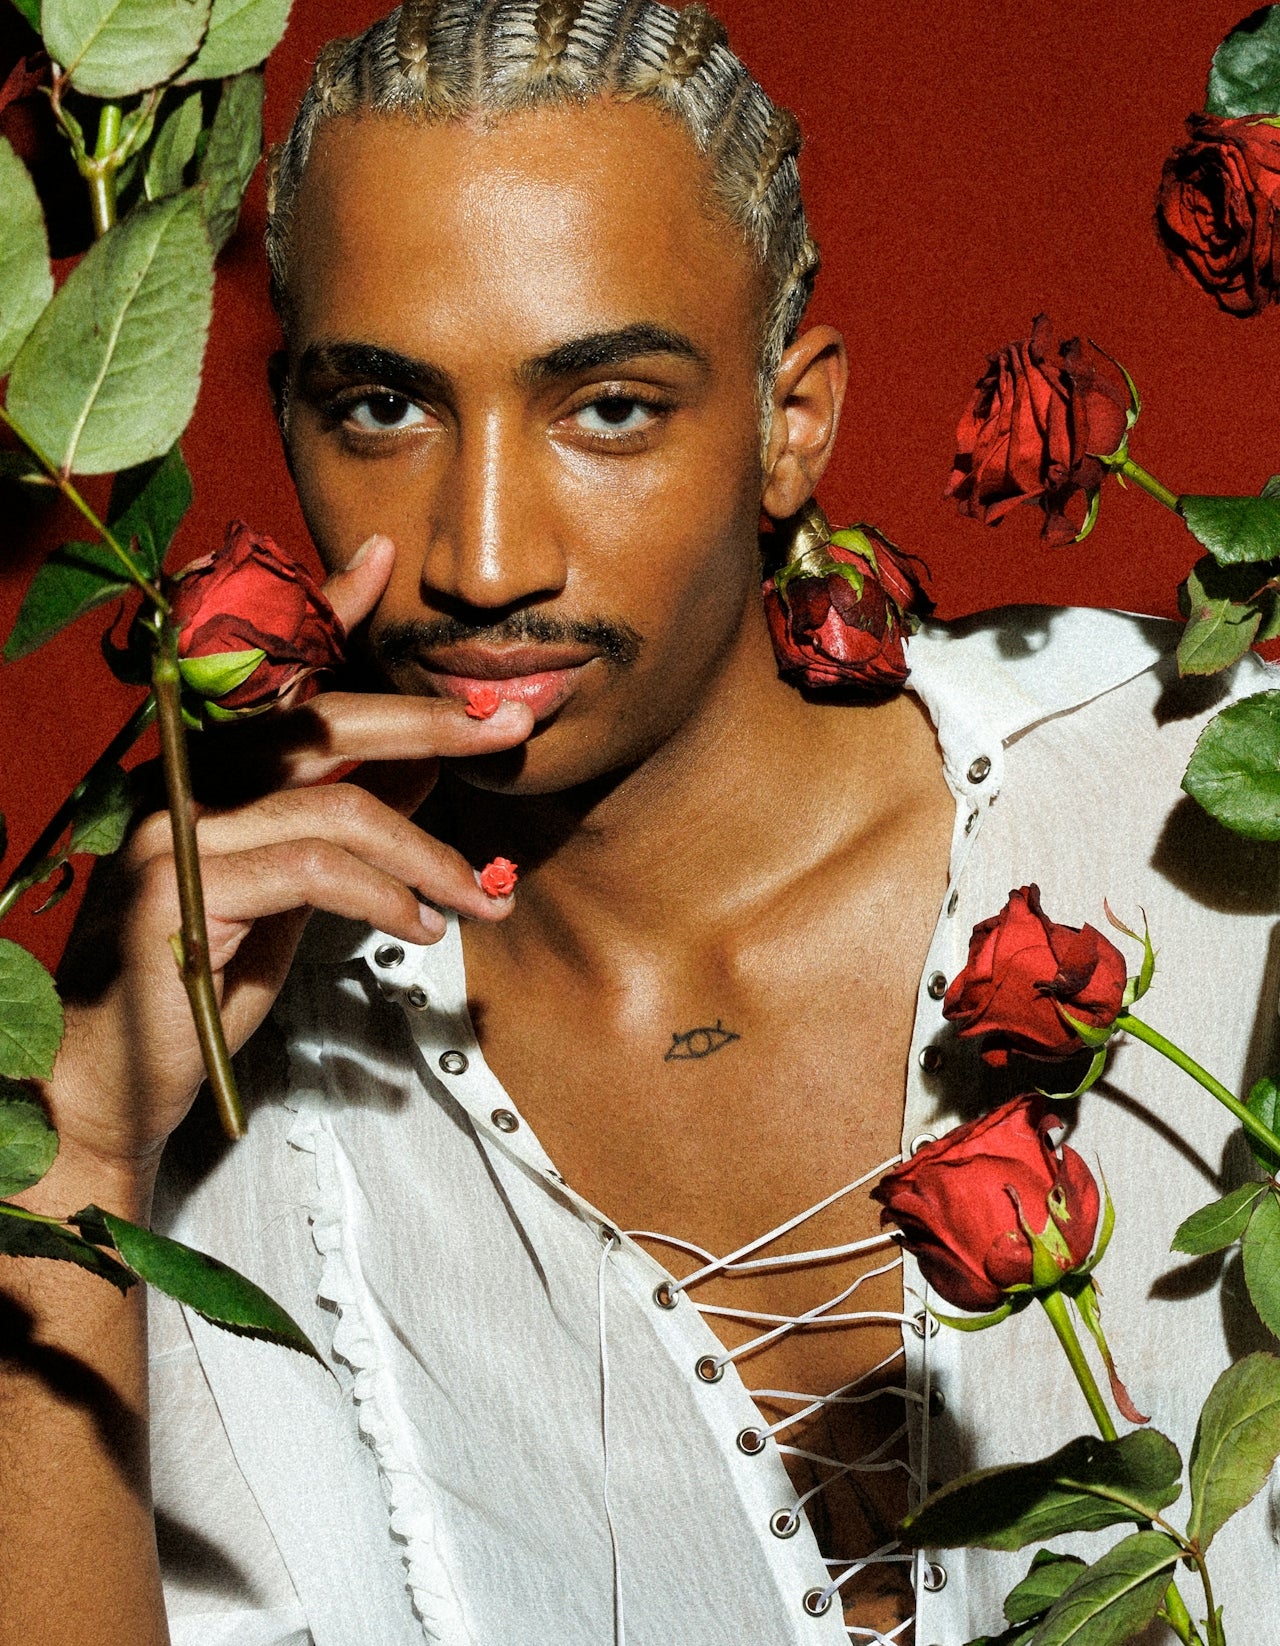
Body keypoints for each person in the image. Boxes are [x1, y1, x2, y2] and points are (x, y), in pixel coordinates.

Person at [3, 3, 1279, 1644]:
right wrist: (78, 1146)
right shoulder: (252, 1121)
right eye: (383, 407)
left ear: (789, 422)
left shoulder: (1198, 807)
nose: (483, 558)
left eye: (607, 406)